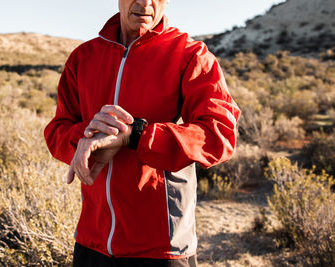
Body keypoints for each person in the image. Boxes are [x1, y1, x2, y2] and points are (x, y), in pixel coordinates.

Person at [44, 0, 240, 266]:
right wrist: (88, 135)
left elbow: (219, 134)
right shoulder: (83, 57)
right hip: (93, 241)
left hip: (161, 246)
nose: (145, 2)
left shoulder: (190, 55)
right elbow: (58, 129)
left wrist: (135, 135)